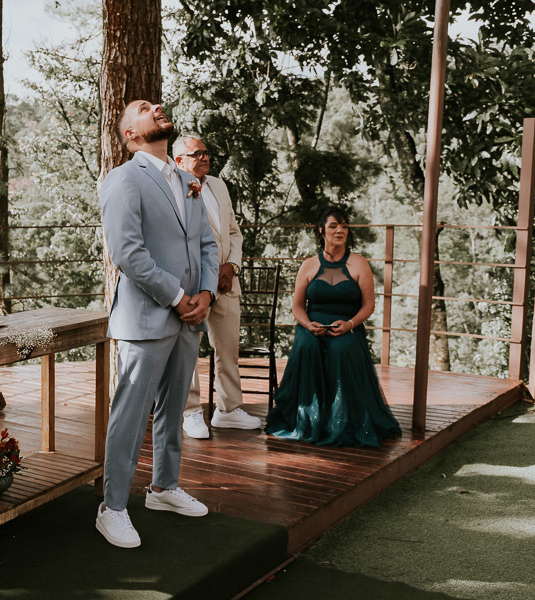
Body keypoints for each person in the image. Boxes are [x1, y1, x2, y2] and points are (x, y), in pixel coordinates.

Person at [96, 100, 220, 548]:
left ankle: (164, 489)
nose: (158, 108)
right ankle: (111, 507)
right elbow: (127, 252)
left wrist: (205, 294)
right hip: (147, 317)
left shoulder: (190, 181)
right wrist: (177, 296)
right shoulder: (122, 179)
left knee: (174, 410)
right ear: (130, 133)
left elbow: (208, 242)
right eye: (145, 109)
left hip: (190, 318)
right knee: (130, 415)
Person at [265, 207, 400, 447]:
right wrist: (308, 324)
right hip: (312, 325)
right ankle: (306, 421)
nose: (340, 230)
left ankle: (340, 422)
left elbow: (368, 306)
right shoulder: (308, 265)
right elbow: (297, 306)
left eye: (344, 226)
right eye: (333, 226)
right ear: (321, 231)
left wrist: (349, 324)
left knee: (342, 350)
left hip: (348, 327)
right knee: (307, 347)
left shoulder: (360, 264)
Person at [172, 134, 261, 439]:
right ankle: (192, 412)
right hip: (194, 283)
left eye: (207, 152)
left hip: (226, 281)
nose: (205, 157)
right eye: (197, 153)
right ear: (179, 160)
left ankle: (228, 410)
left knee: (228, 349)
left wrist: (231, 266)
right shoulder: (173, 189)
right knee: (188, 350)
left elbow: (234, 232)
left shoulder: (219, 186)